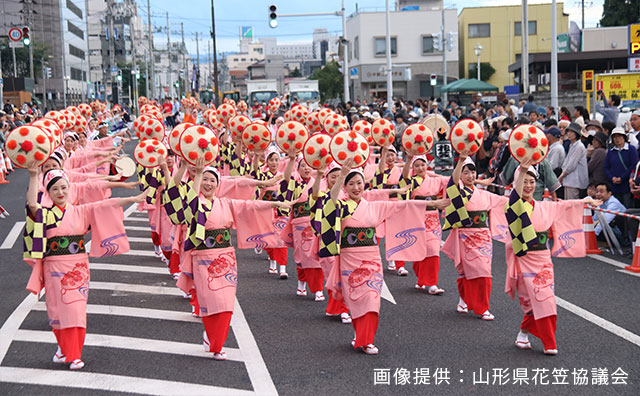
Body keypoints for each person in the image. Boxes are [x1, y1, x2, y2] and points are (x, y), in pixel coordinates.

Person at [24, 165, 146, 370]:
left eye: (64, 188)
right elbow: (31, 204)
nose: (60, 192)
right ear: (48, 192)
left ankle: (74, 355)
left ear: (70, 189)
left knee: (75, 308)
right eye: (55, 189)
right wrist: (34, 175)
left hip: (78, 265)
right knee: (56, 310)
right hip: (53, 266)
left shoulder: (81, 210)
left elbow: (106, 205)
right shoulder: (45, 214)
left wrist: (133, 200)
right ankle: (64, 349)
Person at [166, 158, 289, 360]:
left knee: (226, 303)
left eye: (212, 180)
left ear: (218, 184)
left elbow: (250, 206)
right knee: (210, 301)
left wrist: (274, 203)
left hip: (226, 257)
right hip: (202, 257)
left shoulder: (226, 203)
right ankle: (212, 337)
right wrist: (192, 172)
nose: (207, 183)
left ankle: (217, 344)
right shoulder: (194, 202)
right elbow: (181, 200)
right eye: (204, 179)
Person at [320, 160, 433, 354]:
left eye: (359, 183)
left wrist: (432, 203)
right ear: (345, 187)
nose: (356, 187)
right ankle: (360, 335)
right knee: (356, 298)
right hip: (349, 258)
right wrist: (341, 176)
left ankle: (367, 340)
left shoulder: (374, 206)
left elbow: (404, 205)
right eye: (351, 183)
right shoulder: (342, 205)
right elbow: (330, 202)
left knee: (372, 298)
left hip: (372, 258)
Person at [506, 159, 600, 355]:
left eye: (532, 182)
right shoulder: (515, 206)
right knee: (532, 302)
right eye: (524, 182)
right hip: (524, 259)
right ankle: (524, 334)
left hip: (543, 259)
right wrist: (522, 170)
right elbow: (515, 197)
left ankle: (546, 341)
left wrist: (584, 201)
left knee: (546, 299)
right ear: (517, 184)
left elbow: (564, 206)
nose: (529, 186)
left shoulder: (543, 206)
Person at [441, 154, 507, 320]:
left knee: (484, 272)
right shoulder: (457, 192)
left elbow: (506, 203)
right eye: (466, 173)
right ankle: (463, 299)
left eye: (473, 172)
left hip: (483, 238)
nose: (470, 176)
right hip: (464, 236)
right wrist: (462, 159)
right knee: (465, 272)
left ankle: (482, 307)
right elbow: (453, 181)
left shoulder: (485, 195)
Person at [604, 127, 638, 208]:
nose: (617, 139)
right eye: (615, 137)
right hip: (614, 185)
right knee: (615, 208)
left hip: (627, 185)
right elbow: (606, 167)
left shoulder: (631, 149)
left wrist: (622, 178)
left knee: (627, 207)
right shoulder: (611, 151)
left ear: (624, 137)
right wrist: (612, 177)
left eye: (619, 136)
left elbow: (634, 165)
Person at [558, 122, 588, 199]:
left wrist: (561, 176)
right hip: (569, 180)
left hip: (574, 181)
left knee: (572, 204)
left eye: (572, 132)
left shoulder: (579, 146)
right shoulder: (572, 145)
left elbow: (571, 165)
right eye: (568, 132)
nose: (569, 134)